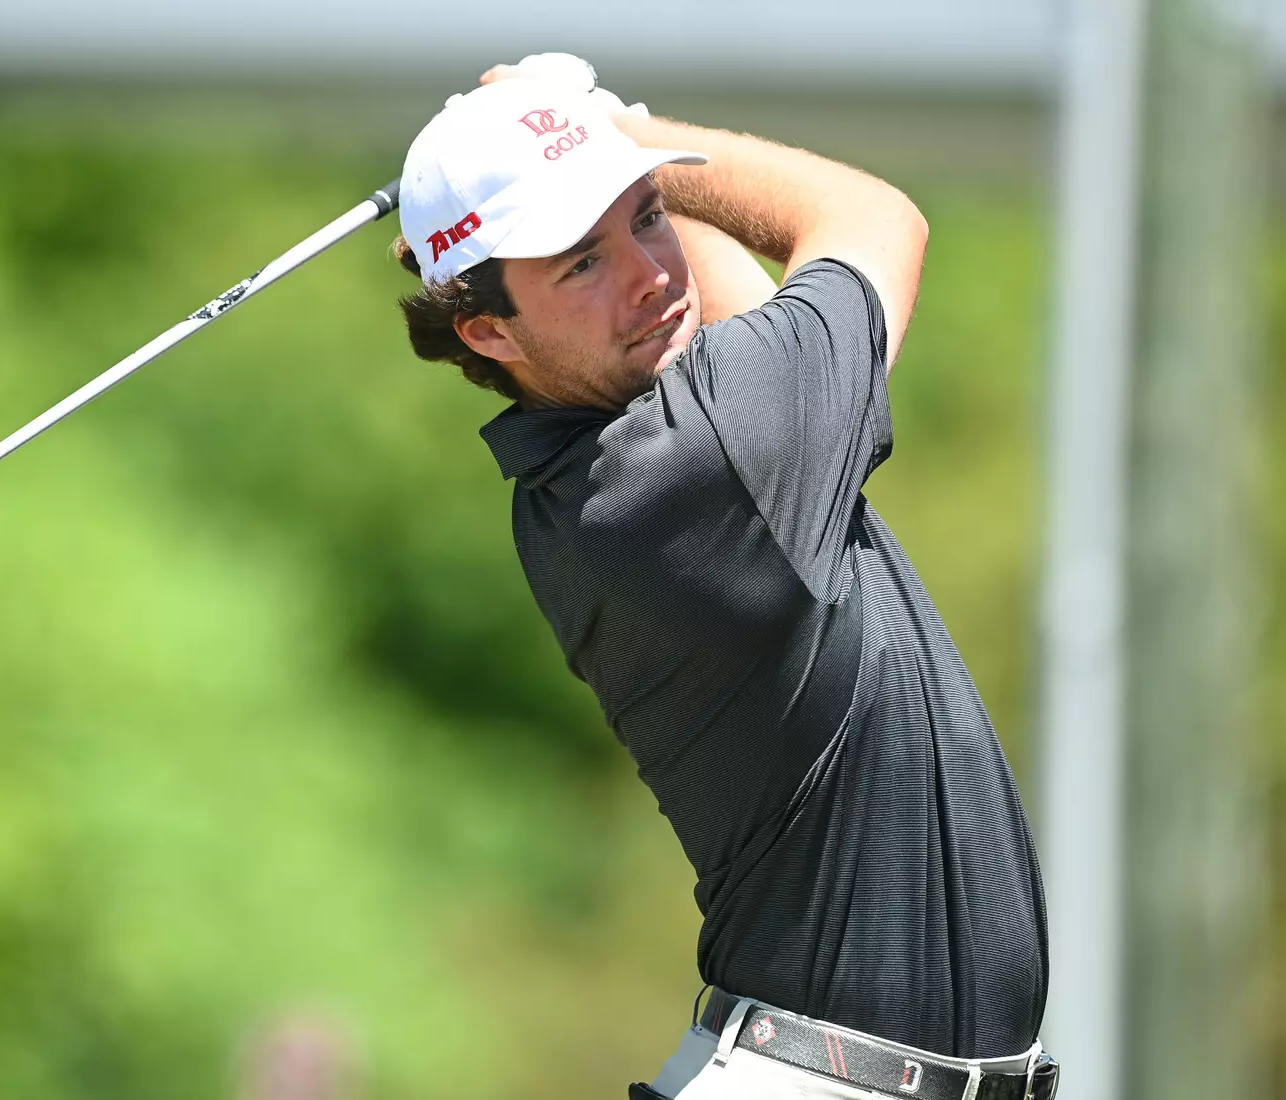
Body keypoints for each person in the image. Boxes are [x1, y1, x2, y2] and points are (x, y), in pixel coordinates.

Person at [391, 55, 1059, 1099]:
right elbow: (874, 217)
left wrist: (591, 157)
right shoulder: (691, 471)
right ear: (485, 328)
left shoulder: (608, 464)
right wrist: (629, 134)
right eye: (578, 262)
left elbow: (726, 310)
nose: (649, 272)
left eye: (647, 219)